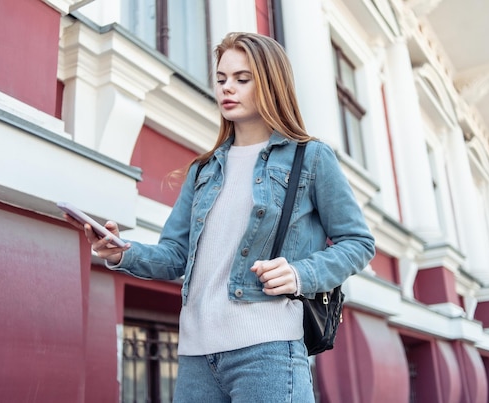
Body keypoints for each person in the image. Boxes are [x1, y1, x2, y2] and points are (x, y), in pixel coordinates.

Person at [65, 31, 375, 402]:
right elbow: (176, 255)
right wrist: (121, 253)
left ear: (271, 84)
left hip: (267, 352)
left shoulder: (310, 158)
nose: (227, 88)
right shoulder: (204, 170)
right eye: (222, 78)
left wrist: (299, 274)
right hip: (197, 356)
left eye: (242, 79)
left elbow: (358, 242)